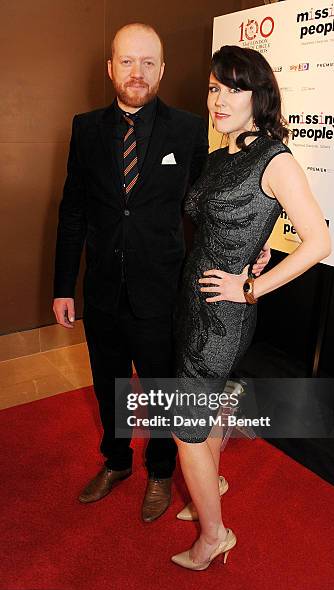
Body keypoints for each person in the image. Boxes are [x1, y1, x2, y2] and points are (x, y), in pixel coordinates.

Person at [53, 23, 271, 520]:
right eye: (127, 61)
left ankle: (160, 471)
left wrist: (252, 255)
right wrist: (64, 286)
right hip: (102, 290)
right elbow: (73, 212)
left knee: (162, 389)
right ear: (110, 68)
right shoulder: (84, 129)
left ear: (163, 69)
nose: (137, 72)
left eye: (148, 62)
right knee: (107, 383)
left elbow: (213, 207)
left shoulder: (190, 129)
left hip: (165, 291)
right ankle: (115, 461)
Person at [170, 45, 331, 570]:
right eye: (214, 87)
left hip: (220, 317)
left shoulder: (274, 158)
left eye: (232, 88)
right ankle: (209, 485)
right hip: (199, 304)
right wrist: (255, 246)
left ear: (258, 97)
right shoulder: (222, 155)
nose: (218, 98)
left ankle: (213, 535)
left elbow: (318, 242)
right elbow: (234, 222)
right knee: (209, 407)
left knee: (184, 427)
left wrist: (251, 287)